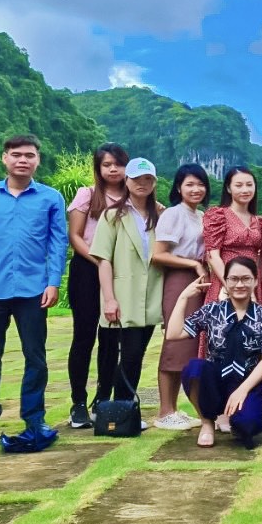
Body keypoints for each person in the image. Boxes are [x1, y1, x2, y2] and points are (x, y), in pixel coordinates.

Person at [0, 134, 67, 443]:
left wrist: (53, 282)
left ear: (38, 161)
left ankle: (35, 419)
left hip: (33, 290)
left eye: (29, 155)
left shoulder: (50, 198)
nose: (23, 160)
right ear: (4, 158)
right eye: (16, 154)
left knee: (36, 357)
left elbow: (57, 243)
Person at [164, 258, 262, 449]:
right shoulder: (212, 311)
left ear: (256, 281)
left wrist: (243, 390)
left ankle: (235, 417)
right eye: (233, 279)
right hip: (215, 380)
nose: (239, 284)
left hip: (247, 382)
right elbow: (173, 334)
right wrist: (184, 297)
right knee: (194, 368)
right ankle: (207, 422)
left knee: (248, 427)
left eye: (245, 279)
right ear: (225, 281)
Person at [90, 157, 164, 419]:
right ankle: (118, 408)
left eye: (147, 179)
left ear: (154, 182)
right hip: (124, 295)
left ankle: (120, 409)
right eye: (136, 179)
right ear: (127, 181)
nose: (142, 184)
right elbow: (103, 259)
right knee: (128, 354)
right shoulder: (113, 216)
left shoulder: (160, 215)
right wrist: (109, 299)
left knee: (138, 353)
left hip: (151, 295)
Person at [64, 142, 128, 430]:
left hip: (120, 276)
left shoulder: (133, 197)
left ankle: (102, 400)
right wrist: (99, 260)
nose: (113, 169)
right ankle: (78, 402)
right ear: (98, 168)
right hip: (87, 271)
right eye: (107, 164)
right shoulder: (87, 195)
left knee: (112, 339)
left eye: (118, 163)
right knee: (84, 336)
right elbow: (75, 236)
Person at [150, 163, 210, 431]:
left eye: (200, 184)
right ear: (178, 188)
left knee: (192, 345)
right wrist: (193, 265)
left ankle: (175, 409)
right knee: (175, 342)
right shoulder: (174, 214)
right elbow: (158, 254)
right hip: (179, 280)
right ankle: (165, 411)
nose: (196, 189)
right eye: (189, 184)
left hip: (199, 282)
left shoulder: (201, 215)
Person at [204, 166, 262, 306]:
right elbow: (213, 256)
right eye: (238, 185)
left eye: (249, 185)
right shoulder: (218, 215)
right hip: (226, 281)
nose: (245, 190)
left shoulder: (259, 221)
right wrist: (231, 285)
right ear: (228, 188)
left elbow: (261, 260)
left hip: (253, 281)